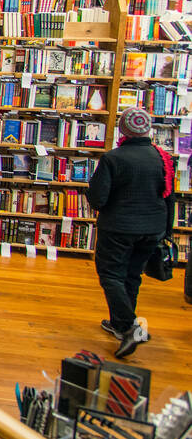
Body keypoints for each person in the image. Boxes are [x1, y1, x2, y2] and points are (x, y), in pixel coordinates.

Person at [88, 106, 174, 358]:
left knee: (111, 275)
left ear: (122, 130)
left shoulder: (113, 159)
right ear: (148, 129)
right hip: (153, 228)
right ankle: (118, 324)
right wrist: (165, 231)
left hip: (118, 227)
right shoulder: (163, 158)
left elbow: (98, 199)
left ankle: (128, 326)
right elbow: (170, 197)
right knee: (132, 275)